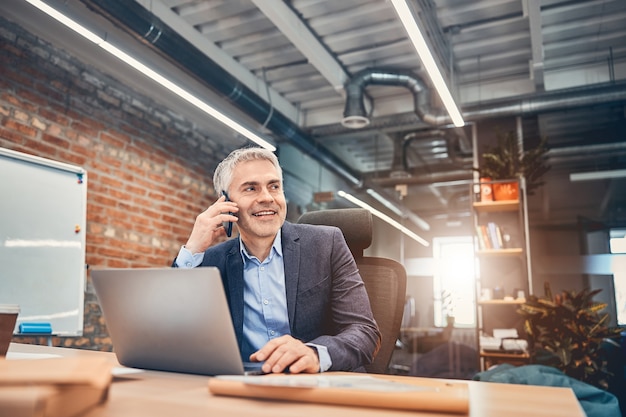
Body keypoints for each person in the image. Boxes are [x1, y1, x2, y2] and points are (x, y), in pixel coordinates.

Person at [174, 147, 380, 374]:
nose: (266, 197)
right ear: (225, 202)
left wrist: (314, 353)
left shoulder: (326, 244)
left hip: (320, 386)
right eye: (251, 188)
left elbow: (364, 331)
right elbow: (173, 332)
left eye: (274, 186)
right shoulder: (213, 261)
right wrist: (192, 249)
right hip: (246, 389)